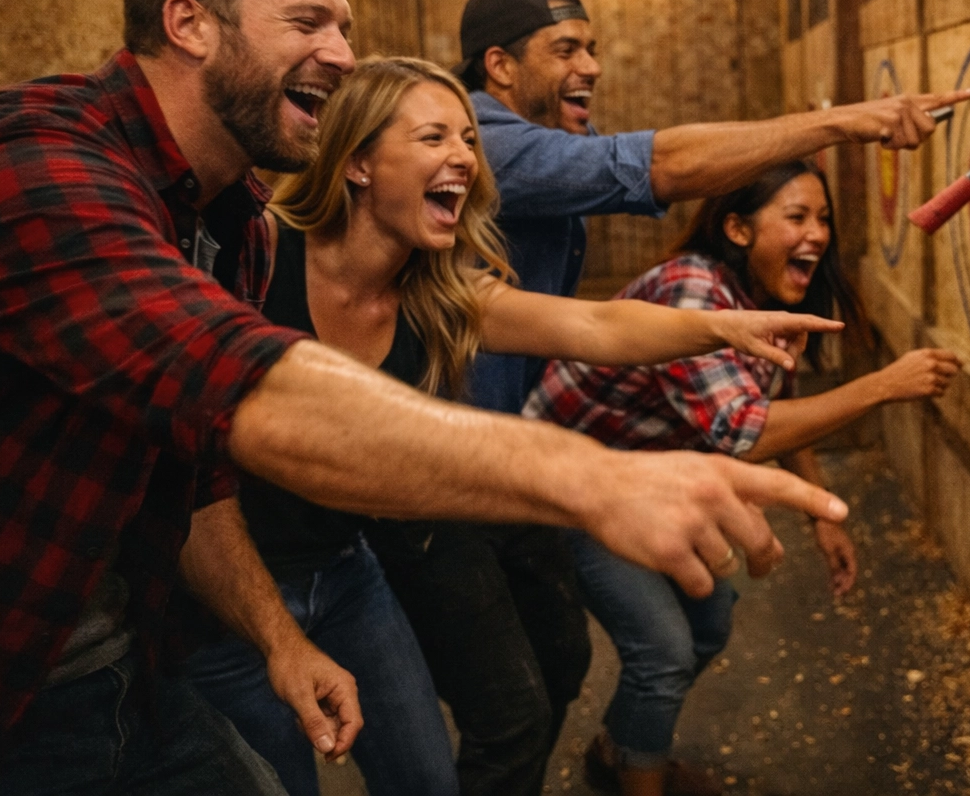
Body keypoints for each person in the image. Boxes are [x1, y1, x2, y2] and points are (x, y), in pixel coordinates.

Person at [0, 0, 845, 796]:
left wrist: (280, 636)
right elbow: (235, 384)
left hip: (142, 654)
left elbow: (191, 465)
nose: (341, 54)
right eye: (308, 22)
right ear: (188, 23)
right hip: (10, 681)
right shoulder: (37, 158)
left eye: (343, 27)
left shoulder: (234, 221)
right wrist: (594, 476)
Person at [370, 0, 970, 796]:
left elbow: (591, 326)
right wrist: (843, 123)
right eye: (567, 49)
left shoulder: (536, 176)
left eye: (593, 47)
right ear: (500, 68)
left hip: (522, 462)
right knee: (520, 704)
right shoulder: (494, 142)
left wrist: (718, 331)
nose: (591, 65)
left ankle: (606, 761)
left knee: (560, 663)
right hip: (448, 476)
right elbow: (660, 164)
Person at [184, 55, 839, 796]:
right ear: (359, 162)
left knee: (432, 777)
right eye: (434, 137)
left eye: (468, 139)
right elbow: (192, 482)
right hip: (228, 592)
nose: (464, 156)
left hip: (344, 572)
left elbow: (594, 323)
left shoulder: (433, 292)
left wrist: (726, 327)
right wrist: (276, 634)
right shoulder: (256, 262)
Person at [525, 160, 962, 796]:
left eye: (823, 218)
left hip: (643, 478)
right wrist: (881, 387)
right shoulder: (693, 292)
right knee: (665, 650)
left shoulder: (761, 298)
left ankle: (621, 751)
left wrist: (820, 514)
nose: (817, 233)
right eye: (796, 217)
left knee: (709, 621)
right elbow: (744, 430)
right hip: (567, 487)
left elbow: (775, 399)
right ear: (736, 228)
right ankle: (640, 780)